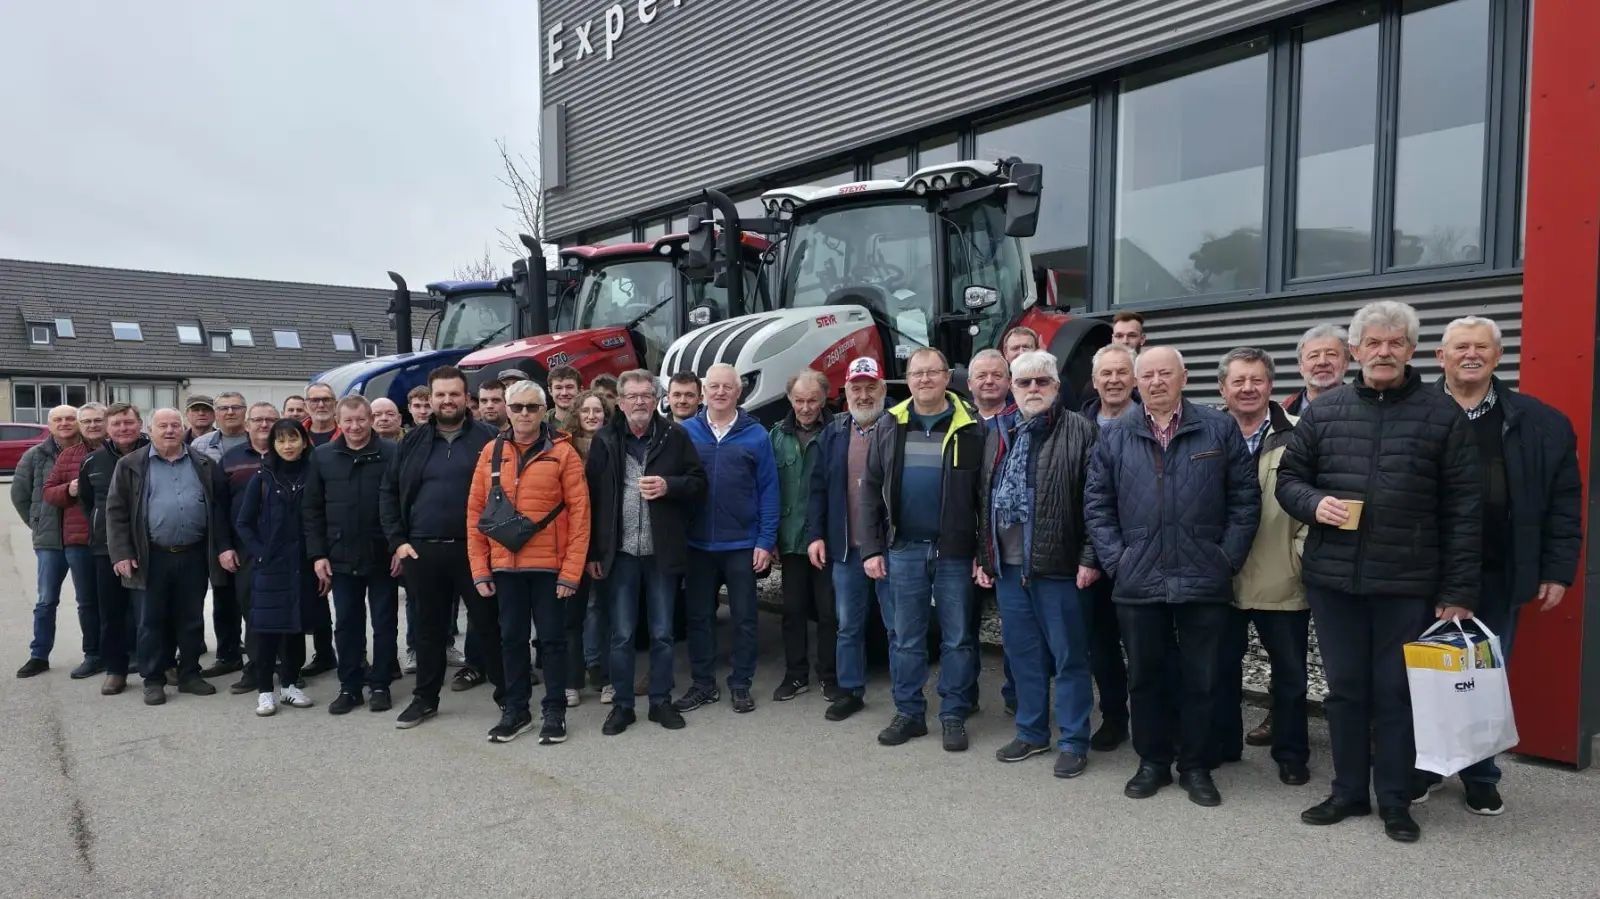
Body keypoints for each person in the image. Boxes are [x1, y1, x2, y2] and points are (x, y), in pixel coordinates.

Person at [1276, 301, 1480, 843]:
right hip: (1334, 580)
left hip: (1407, 582)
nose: (1383, 352)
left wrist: (1458, 589)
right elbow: (1290, 479)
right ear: (1356, 351)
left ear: (1412, 351)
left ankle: (1394, 799)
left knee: (1395, 692)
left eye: (1395, 343)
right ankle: (1346, 792)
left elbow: (1464, 509)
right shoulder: (1325, 410)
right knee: (1343, 690)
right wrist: (1314, 503)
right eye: (1373, 343)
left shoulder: (1442, 414)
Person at [1412, 315, 1581, 815]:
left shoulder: (1540, 421)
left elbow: (1564, 500)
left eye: (1481, 347)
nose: (1471, 354)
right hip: (1421, 570)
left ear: (1497, 356)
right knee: (1422, 676)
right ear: (1439, 357)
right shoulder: (1411, 411)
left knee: (1483, 676)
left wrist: (1557, 569)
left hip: (1499, 570)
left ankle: (1480, 773)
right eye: (1459, 346)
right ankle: (1423, 766)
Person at [1084, 346, 1259, 807]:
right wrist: (1118, 562)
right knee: (1145, 676)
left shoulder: (1217, 427)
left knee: (1202, 678)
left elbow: (1245, 500)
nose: (1157, 381)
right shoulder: (1117, 434)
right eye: (1148, 375)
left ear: (1184, 376)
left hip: (1204, 576)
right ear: (1138, 383)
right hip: (1138, 579)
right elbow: (1097, 505)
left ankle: (1196, 766)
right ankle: (1153, 762)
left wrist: (1227, 558)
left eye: (1166, 373)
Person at [976, 351, 1101, 778]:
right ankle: (1031, 732)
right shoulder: (1000, 432)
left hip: (1060, 568)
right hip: (1009, 569)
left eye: (1041, 382)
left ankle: (1073, 739)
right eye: (1024, 383)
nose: (1033, 389)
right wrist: (985, 557)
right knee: (1024, 655)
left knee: (1069, 658)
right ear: (1012, 388)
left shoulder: (1082, 432)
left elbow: (1097, 505)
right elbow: (984, 501)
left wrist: (1089, 559)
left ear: (1056, 386)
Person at [858, 348, 984, 751]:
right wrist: (872, 548)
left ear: (947, 377)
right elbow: (870, 494)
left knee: (959, 637)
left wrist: (983, 551)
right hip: (904, 549)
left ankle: (953, 713)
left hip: (955, 552)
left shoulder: (972, 426)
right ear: (907, 380)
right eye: (917, 373)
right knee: (906, 638)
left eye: (933, 372)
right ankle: (910, 713)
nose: (925, 379)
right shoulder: (889, 424)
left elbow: (985, 495)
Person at [467, 380, 591, 743]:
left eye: (532, 407)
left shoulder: (563, 453)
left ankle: (555, 710)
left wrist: (572, 571)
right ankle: (516, 709)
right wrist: (479, 568)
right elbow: (475, 511)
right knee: (511, 640)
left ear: (543, 409)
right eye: (517, 407)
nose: (524, 414)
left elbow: (581, 514)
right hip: (505, 566)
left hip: (550, 567)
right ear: (506, 409)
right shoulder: (491, 452)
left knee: (552, 641)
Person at [381, 366, 505, 729]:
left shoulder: (489, 439)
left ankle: (508, 698)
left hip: (476, 550)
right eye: (440, 395)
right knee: (429, 630)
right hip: (423, 552)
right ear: (430, 399)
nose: (447, 400)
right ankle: (425, 699)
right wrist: (399, 542)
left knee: (488, 626)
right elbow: (388, 493)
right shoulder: (411, 442)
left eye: (454, 394)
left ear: (466, 398)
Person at [1212, 348, 1311, 786]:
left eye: (1257, 380)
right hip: (1220, 576)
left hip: (1280, 574)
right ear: (1223, 388)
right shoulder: (1205, 433)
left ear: (1270, 385)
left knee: (1290, 676)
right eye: (1238, 381)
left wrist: (1300, 556)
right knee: (1219, 670)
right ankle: (1224, 743)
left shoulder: (1302, 434)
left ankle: (1291, 753)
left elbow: (1318, 499)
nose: (1248, 388)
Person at [587, 371, 705, 733]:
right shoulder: (605, 439)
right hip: (619, 553)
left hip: (660, 552)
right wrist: (593, 551)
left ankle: (660, 702)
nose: (640, 401)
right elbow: (590, 499)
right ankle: (623, 706)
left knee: (663, 632)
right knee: (621, 634)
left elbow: (699, 483)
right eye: (632, 396)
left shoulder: (675, 435)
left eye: (646, 395)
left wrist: (670, 485)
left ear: (657, 400)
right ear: (619, 402)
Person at [106, 408, 238, 706]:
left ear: (183, 428)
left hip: (193, 554)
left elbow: (217, 509)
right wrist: (122, 553)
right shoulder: (130, 465)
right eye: (162, 426)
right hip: (151, 556)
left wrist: (220, 547)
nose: (169, 431)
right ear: (149, 430)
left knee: (190, 618)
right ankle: (153, 680)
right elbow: (116, 513)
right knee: (150, 620)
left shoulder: (203, 462)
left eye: (175, 425)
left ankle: (190, 673)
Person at [675, 363, 779, 715]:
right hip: (697, 544)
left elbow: (769, 490)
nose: (720, 392)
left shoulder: (757, 435)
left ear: (739, 392)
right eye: (714, 386)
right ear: (703, 392)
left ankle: (741, 684)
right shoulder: (685, 432)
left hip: (741, 545)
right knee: (699, 617)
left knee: (746, 617)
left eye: (727, 387)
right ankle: (703, 684)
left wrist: (765, 540)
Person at [809, 357, 893, 722]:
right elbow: (817, 489)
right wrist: (816, 534)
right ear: (845, 393)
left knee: (898, 625)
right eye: (855, 388)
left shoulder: (899, 425)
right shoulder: (835, 433)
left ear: (883, 389)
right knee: (848, 625)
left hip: (891, 548)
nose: (863, 395)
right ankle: (850, 690)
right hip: (846, 548)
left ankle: (906, 696)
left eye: (870, 387)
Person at [306, 396, 401, 715]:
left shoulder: (391, 453)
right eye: (348, 421)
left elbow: (405, 502)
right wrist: (318, 554)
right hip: (339, 555)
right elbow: (312, 509)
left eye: (361, 419)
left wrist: (400, 545)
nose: (355, 426)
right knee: (347, 623)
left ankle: (380, 685)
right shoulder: (322, 457)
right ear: (338, 420)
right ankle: (349, 687)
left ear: (371, 419)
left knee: (385, 623)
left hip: (383, 554)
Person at [235, 419, 320, 715]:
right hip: (271, 566)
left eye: (293, 438)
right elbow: (243, 523)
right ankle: (264, 691)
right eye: (281, 440)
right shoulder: (262, 478)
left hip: (303, 564)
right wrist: (261, 554)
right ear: (272, 444)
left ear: (304, 441)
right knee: (268, 630)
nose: (288, 445)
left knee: (295, 628)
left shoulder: (314, 473)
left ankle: (290, 685)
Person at [1077, 343, 1136, 751]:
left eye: (1121, 372)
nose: (1113, 380)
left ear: (1133, 378)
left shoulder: (1153, 422)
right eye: (1106, 374)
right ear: (1095, 380)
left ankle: (1158, 721)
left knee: (1147, 646)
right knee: (1102, 646)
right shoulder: (1077, 424)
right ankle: (1115, 717)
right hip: (1091, 557)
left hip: (1141, 557)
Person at [769, 369, 838, 702]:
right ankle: (796, 675)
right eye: (799, 400)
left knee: (829, 611)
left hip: (826, 539)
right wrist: (770, 538)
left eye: (813, 400)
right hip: (790, 539)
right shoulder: (775, 437)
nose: (806, 407)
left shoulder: (838, 433)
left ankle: (829, 675)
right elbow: (767, 490)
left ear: (824, 400)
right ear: (789, 399)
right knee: (793, 610)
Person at [12, 404, 92, 679]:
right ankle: (39, 655)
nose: (66, 423)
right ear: (50, 424)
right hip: (48, 541)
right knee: (46, 600)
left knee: (87, 600)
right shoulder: (35, 455)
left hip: (81, 538)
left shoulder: (89, 453)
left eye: (71, 418)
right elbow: (19, 494)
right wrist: (36, 523)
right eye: (59, 419)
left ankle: (92, 654)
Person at [967, 348, 1026, 715]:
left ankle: (1016, 695)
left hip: (1007, 546)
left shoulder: (1023, 421)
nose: (989, 381)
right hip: (963, 542)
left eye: (997, 375)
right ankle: (965, 696)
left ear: (1008, 381)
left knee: (1016, 628)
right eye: (982, 375)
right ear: (969, 383)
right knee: (962, 628)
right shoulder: (958, 421)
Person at [78, 403, 148, 694]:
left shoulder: (154, 455)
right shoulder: (92, 461)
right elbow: (86, 502)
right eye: (117, 424)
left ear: (140, 424)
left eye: (129, 423)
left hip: (148, 547)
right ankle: (116, 670)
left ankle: (160, 664)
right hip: (105, 549)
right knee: (112, 612)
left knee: (151, 612)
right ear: (108, 428)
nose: (123, 429)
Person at [42, 403, 107, 679]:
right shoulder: (69, 456)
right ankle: (92, 654)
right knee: (87, 602)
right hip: (79, 541)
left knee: (121, 599)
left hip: (113, 539)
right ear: (81, 426)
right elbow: (48, 492)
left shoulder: (119, 452)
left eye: (97, 420)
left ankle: (127, 651)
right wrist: (67, 489)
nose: (92, 426)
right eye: (87, 421)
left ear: (106, 422)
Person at [190, 391, 251, 678]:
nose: (229, 412)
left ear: (244, 411)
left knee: (254, 596)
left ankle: (259, 654)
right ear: (216, 413)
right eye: (223, 408)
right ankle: (228, 654)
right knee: (223, 595)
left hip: (253, 530)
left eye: (235, 407)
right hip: (216, 529)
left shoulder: (259, 441)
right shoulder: (200, 445)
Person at [220, 403, 279, 694]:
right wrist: (224, 546)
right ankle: (256, 667)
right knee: (251, 608)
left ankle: (286, 666)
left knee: (283, 605)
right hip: (244, 548)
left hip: (284, 546)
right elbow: (219, 508)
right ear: (247, 425)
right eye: (258, 420)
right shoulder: (230, 459)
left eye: (270, 419)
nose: (264, 424)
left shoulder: (293, 454)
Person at [562, 389, 609, 705]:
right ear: (576, 415)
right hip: (570, 541)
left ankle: (600, 671)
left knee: (599, 610)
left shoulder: (614, 446)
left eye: (598, 411)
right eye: (586, 411)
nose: (592, 416)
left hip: (603, 540)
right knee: (571, 613)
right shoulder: (564, 449)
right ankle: (571, 678)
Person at [1283, 324, 1350, 415]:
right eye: (1313, 356)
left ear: (1346, 364)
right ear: (1301, 367)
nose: (1322, 362)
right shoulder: (1281, 413)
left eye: (1331, 354)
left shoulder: (1367, 409)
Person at [303, 382, 341, 448]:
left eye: (326, 400)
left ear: (335, 405)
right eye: (314, 400)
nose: (321, 405)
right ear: (305, 407)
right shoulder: (296, 434)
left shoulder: (348, 434)